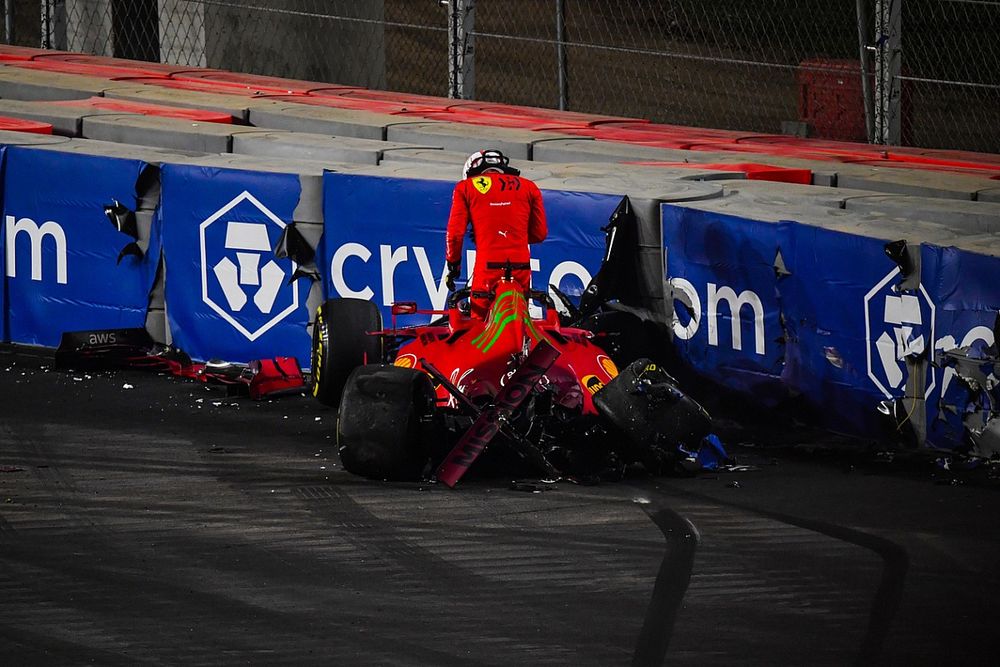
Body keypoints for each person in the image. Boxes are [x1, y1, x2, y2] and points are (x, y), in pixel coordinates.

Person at [445, 149, 547, 317]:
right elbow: (540, 234)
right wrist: (513, 236)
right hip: (521, 269)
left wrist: (453, 266)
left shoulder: (465, 188)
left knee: (479, 328)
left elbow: (454, 235)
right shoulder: (529, 187)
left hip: (487, 269)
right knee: (519, 323)